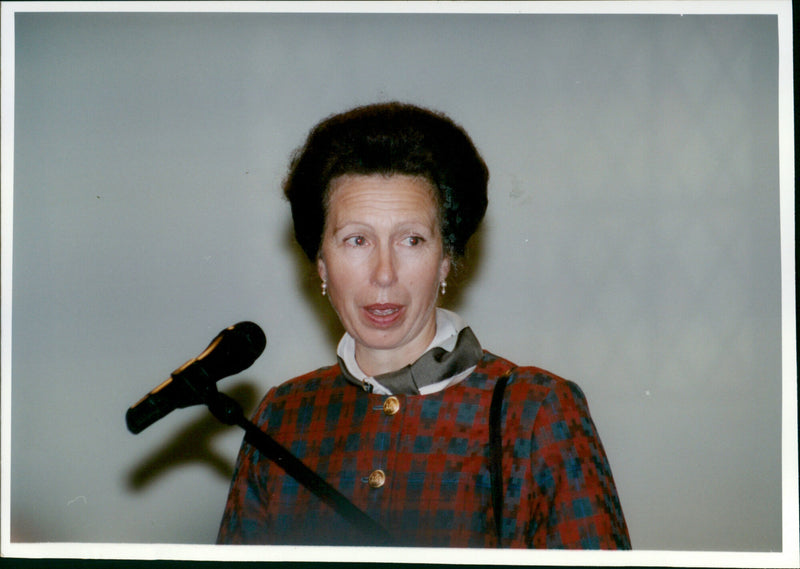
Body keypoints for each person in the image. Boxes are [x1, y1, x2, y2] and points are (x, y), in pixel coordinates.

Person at [217, 102, 631, 548]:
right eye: (356, 240)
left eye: (412, 240)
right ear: (321, 263)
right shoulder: (283, 417)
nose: (384, 273)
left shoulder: (535, 412)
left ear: (446, 260)